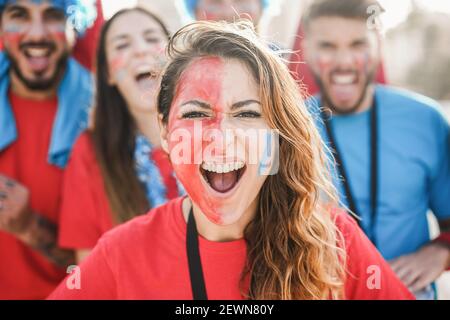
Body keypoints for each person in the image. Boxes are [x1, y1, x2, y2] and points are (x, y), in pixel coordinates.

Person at [49, 20, 413, 300]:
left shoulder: (333, 238)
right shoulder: (122, 252)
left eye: (247, 114)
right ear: (164, 129)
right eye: (195, 114)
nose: (220, 139)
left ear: (277, 135)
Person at [301, 0, 450, 299]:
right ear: (307, 52)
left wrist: (441, 252)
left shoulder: (427, 121)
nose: (343, 61)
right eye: (328, 46)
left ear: (378, 46)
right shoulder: (285, 129)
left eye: (358, 44)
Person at [58, 7, 182, 264]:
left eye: (151, 38)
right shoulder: (91, 153)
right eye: (122, 45)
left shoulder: (217, 136)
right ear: (108, 74)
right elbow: (88, 270)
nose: (140, 50)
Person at [0, 0, 96, 299]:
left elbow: (109, 264)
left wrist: (30, 227)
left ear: (75, 25)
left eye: (53, 16)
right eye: (19, 15)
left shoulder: (105, 120)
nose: (37, 34)